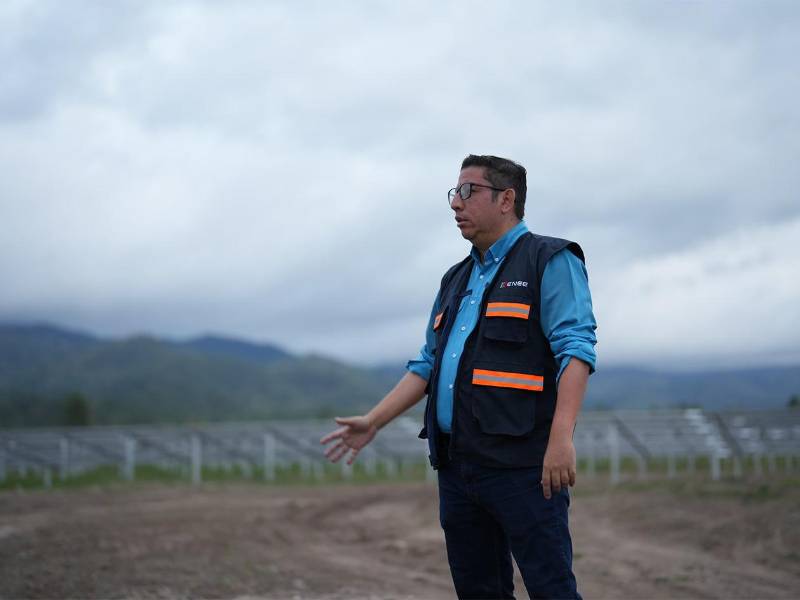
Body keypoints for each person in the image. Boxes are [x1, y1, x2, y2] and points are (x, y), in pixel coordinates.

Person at [320, 154, 597, 599]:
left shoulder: (550, 259)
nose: (456, 203)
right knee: (478, 591)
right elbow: (428, 363)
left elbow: (576, 350)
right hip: (458, 468)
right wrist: (374, 421)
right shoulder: (456, 278)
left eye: (469, 191)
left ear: (507, 199)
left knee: (551, 588)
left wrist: (561, 438)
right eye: (455, 192)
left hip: (522, 466)